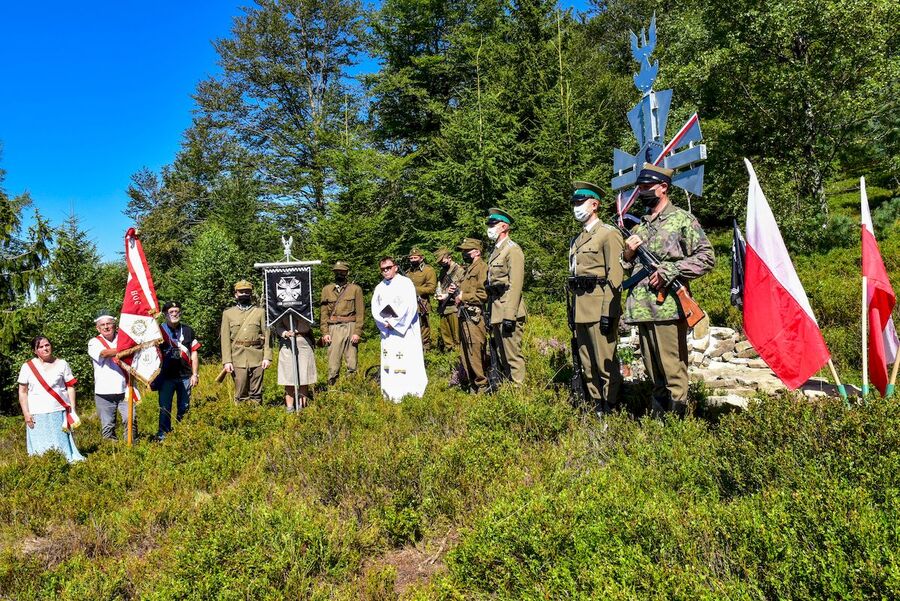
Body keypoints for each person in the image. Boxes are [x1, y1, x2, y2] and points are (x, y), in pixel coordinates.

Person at [621, 163, 715, 416]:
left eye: (646, 187)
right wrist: (628, 253)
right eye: (640, 188)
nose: (641, 192)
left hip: (668, 307)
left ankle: (676, 425)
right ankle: (659, 421)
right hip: (642, 310)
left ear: (663, 188)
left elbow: (706, 257)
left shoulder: (682, 219)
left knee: (672, 369)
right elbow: (627, 268)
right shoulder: (639, 226)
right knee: (653, 371)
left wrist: (671, 270)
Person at [568, 181, 625, 413]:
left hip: (600, 306)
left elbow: (615, 276)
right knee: (587, 362)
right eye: (574, 203)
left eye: (580, 203)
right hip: (580, 307)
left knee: (605, 362)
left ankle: (611, 405)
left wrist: (608, 311)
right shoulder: (577, 240)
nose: (576, 207)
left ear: (594, 204)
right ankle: (596, 405)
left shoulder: (608, 234)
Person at [17, 336, 85, 462]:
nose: (45, 348)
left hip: (59, 411)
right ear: (34, 350)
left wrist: (72, 409)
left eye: (47, 345)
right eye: (41, 347)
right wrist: (26, 413)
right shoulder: (27, 367)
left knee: (61, 444)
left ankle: (64, 464)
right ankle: (44, 467)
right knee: (40, 446)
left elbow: (70, 387)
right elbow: (22, 392)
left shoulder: (62, 364)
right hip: (37, 413)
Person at [371, 256, 428, 401]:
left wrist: (395, 322)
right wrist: (383, 321)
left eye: (388, 268)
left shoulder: (405, 283)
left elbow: (410, 306)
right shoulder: (380, 287)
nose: (385, 271)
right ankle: (391, 393)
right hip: (388, 332)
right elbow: (375, 308)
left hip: (405, 331)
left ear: (395, 267)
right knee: (390, 361)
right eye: (383, 269)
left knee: (406, 359)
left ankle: (411, 392)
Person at [485, 207, 527, 385]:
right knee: (502, 356)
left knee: (513, 356)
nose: (490, 227)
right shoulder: (496, 251)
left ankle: (519, 394)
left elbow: (516, 285)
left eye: (493, 224)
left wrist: (509, 315)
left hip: (509, 309)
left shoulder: (512, 250)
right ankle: (509, 392)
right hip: (496, 308)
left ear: (504, 227)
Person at [87, 310, 137, 440]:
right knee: (108, 426)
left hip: (126, 388)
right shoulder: (93, 342)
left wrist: (132, 347)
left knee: (130, 420)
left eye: (109, 324)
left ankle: (132, 449)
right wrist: (128, 349)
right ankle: (111, 454)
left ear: (114, 325)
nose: (106, 327)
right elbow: (104, 354)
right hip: (104, 392)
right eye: (102, 325)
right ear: (98, 328)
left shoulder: (124, 339)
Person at [221, 280, 272, 402]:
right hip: (237, 357)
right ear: (235, 294)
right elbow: (225, 339)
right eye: (241, 292)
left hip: (257, 357)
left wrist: (267, 357)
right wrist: (227, 361)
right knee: (241, 392)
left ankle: (257, 417)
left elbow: (267, 335)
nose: (244, 294)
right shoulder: (228, 314)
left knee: (256, 393)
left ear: (251, 294)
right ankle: (242, 418)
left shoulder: (260, 312)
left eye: (247, 292)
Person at [156, 301, 201, 440]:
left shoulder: (188, 330)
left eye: (177, 311)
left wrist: (195, 374)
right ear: (165, 314)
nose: (174, 314)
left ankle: (182, 434)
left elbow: (194, 353)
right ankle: (163, 436)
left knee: (185, 407)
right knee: (165, 408)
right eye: (171, 312)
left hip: (185, 376)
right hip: (165, 377)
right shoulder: (158, 331)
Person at [449, 238, 489, 393]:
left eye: (467, 250)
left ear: (477, 251)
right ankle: (473, 385)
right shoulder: (468, 269)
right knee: (465, 353)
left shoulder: (482, 268)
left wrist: (462, 296)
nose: (464, 253)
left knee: (475, 351)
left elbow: (482, 294)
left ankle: (482, 385)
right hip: (464, 316)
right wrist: (457, 290)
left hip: (474, 317)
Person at [320, 261, 364, 385]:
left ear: (347, 273)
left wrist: (357, 332)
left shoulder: (355, 289)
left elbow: (360, 312)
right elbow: (323, 314)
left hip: (351, 325)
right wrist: (325, 332)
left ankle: (352, 387)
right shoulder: (327, 290)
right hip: (333, 327)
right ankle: (332, 388)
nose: (339, 273)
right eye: (337, 271)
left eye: (342, 271)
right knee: (333, 361)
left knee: (352, 361)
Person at [274, 314, 318, 411]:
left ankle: (303, 406)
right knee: (288, 377)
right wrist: (285, 333)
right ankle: (290, 407)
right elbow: (278, 326)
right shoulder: (281, 309)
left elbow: (310, 322)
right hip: (287, 343)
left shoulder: (304, 306)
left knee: (304, 377)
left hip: (304, 342)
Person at [434, 247, 465, 352]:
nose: (441, 264)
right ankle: (450, 360)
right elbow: (441, 287)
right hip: (443, 307)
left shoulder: (459, 270)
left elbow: (464, 288)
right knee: (446, 337)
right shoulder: (442, 272)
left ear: (449, 258)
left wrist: (448, 294)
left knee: (457, 337)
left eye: (442, 261)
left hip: (454, 308)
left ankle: (459, 362)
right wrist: (439, 294)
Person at [406, 248, 437, 350]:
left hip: (421, 304)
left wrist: (414, 290)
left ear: (421, 258)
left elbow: (432, 289)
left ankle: (426, 353)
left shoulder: (428, 270)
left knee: (423, 330)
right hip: (409, 306)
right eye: (411, 258)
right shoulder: (408, 272)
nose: (413, 260)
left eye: (415, 257)